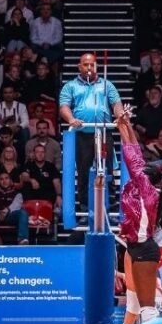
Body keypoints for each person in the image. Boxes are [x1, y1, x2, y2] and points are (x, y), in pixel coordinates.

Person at [114, 109, 162, 324]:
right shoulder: (144, 186)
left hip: (145, 249)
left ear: (151, 179)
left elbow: (132, 157)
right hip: (134, 245)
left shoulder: (147, 191)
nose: (142, 169)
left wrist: (124, 130)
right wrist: (125, 125)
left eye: (146, 172)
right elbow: (136, 155)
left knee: (148, 307)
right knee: (133, 294)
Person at [58, 53, 125, 220]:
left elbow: (116, 103)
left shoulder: (106, 84)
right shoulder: (70, 86)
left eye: (92, 64)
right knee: (83, 171)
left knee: (108, 168)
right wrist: (71, 119)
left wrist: (119, 116)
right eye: (85, 64)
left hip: (104, 132)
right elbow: (64, 106)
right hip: (82, 134)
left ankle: (112, 206)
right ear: (79, 66)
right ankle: (84, 207)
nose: (89, 68)